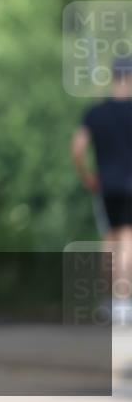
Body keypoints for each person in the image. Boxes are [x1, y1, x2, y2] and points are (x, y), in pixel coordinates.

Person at [71, 56, 132, 323]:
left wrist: (88, 176)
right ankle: (122, 302)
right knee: (127, 242)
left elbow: (77, 148)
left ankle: (107, 301)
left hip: (105, 187)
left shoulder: (95, 113)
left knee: (109, 241)